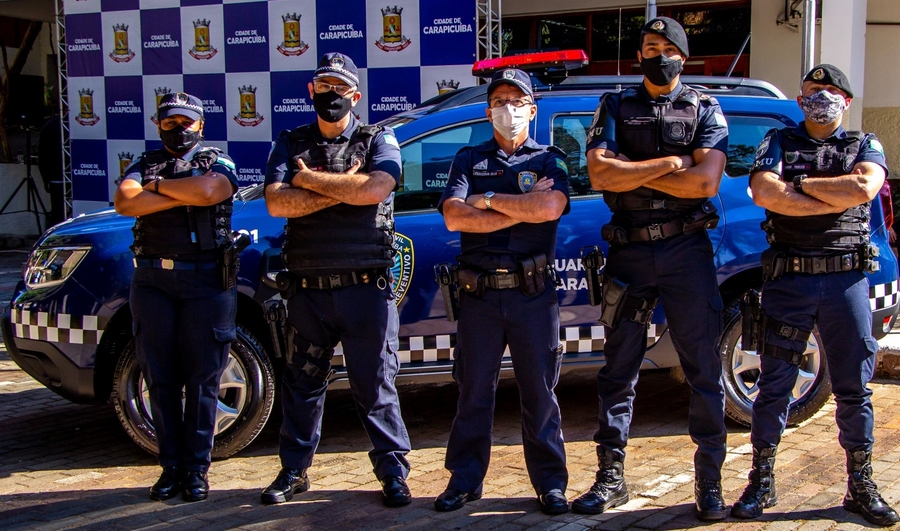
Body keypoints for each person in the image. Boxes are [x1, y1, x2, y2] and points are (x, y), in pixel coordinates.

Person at [573, 17, 730, 520]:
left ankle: (709, 482)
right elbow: (600, 173)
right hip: (631, 252)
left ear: (682, 56)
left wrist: (633, 174)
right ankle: (610, 476)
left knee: (703, 367)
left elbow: (706, 183)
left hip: (688, 253)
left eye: (665, 47)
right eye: (648, 47)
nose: (656, 54)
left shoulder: (705, 106)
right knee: (617, 370)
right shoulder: (616, 104)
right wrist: (669, 165)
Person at [733, 64, 899, 527]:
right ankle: (760, 483)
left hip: (845, 281)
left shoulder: (864, 144)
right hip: (790, 281)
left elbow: (865, 185)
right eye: (810, 90)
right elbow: (765, 191)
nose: (819, 97)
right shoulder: (778, 141)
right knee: (774, 386)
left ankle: (860, 485)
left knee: (852, 387)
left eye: (828, 91)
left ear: (845, 100)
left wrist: (799, 185)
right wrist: (831, 194)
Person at [261, 52, 412, 508]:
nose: (332, 95)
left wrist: (309, 184)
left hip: (365, 289)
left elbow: (374, 190)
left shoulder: (378, 139)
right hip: (307, 291)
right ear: (311, 91)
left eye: (341, 88)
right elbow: (275, 203)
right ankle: (294, 471)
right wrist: (342, 187)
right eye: (324, 86)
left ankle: (393, 473)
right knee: (302, 384)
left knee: (375, 387)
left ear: (356, 95)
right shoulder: (290, 142)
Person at [434, 68, 571, 515]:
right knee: (473, 390)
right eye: (498, 100)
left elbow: (550, 207)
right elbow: (455, 217)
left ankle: (550, 483)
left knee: (540, 392)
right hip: (480, 296)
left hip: (533, 295)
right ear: (488, 109)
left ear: (532, 109)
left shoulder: (551, 159)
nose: (506, 108)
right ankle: (465, 480)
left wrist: (488, 201)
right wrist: (523, 210)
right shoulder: (466, 159)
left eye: (516, 100)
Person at [113, 92, 240, 502]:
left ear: (201, 125)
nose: (179, 129)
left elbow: (208, 192)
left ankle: (197, 470)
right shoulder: (142, 163)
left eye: (187, 122)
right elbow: (125, 201)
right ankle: (170, 468)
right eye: (170, 123)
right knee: (161, 379)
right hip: (153, 283)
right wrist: (170, 188)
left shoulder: (218, 161)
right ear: (158, 125)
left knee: (203, 380)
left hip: (206, 283)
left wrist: (157, 190)